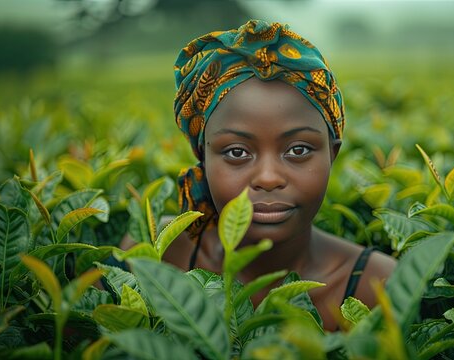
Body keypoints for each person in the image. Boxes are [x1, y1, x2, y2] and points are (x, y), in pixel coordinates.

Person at [162, 19, 396, 331]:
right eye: (236, 152)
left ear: (332, 155)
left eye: (298, 150)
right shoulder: (160, 255)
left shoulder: (377, 286)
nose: (269, 177)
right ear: (202, 157)